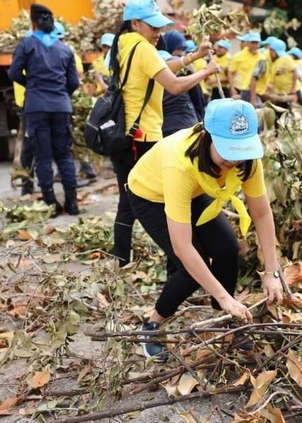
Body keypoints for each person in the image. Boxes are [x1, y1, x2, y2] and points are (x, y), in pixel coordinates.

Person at [127, 99, 283, 360]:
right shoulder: (179, 162)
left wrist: (271, 272)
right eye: (228, 151)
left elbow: (262, 212)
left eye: (240, 150)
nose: (234, 159)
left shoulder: (246, 160)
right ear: (207, 137)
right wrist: (223, 296)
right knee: (191, 268)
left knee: (227, 248)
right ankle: (152, 324)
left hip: (197, 189)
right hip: (150, 194)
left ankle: (224, 318)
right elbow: (183, 246)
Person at [110, 0, 219, 267]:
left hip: (127, 134)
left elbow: (161, 69)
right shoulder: (143, 47)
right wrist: (206, 71)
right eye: (153, 25)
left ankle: (120, 257)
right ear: (135, 23)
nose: (158, 31)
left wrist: (194, 57)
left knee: (129, 199)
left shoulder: (126, 44)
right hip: (142, 138)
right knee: (163, 203)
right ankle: (180, 264)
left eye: (160, 26)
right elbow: (173, 86)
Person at [8, 4, 81, 216]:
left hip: (36, 106)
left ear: (33, 23)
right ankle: (72, 202)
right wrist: (60, 93)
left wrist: (31, 84)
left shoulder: (26, 45)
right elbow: (74, 82)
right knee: (64, 154)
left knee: (43, 155)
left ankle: (51, 203)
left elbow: (13, 73)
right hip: (61, 106)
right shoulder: (65, 49)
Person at [157, 50, 199, 137]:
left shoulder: (152, 80)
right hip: (188, 123)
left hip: (164, 128)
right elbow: (197, 99)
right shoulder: (183, 76)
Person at [228, 32, 262, 102]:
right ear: (248, 43)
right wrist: (232, 88)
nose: (255, 45)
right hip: (238, 88)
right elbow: (231, 72)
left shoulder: (261, 57)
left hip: (254, 90)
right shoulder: (238, 56)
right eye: (252, 42)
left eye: (256, 43)